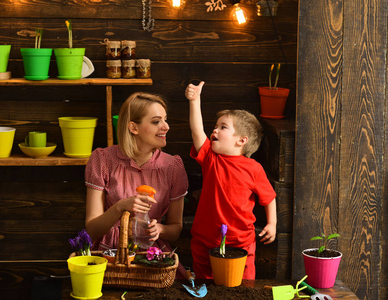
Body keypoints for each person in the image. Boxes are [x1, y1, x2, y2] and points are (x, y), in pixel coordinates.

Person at [84, 92, 188, 277]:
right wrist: (120, 207)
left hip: (150, 256)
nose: (166, 126)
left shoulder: (173, 166)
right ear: (133, 127)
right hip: (108, 255)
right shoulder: (102, 160)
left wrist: (160, 230)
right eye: (156, 121)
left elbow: (175, 230)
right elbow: (92, 229)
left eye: (165, 120)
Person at [185, 81, 277, 279]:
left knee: (243, 284)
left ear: (241, 140)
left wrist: (272, 224)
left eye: (223, 127)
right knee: (205, 282)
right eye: (216, 126)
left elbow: (268, 197)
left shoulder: (254, 168)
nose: (215, 130)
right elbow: (197, 131)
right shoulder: (211, 158)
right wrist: (194, 100)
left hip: (240, 240)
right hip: (205, 238)